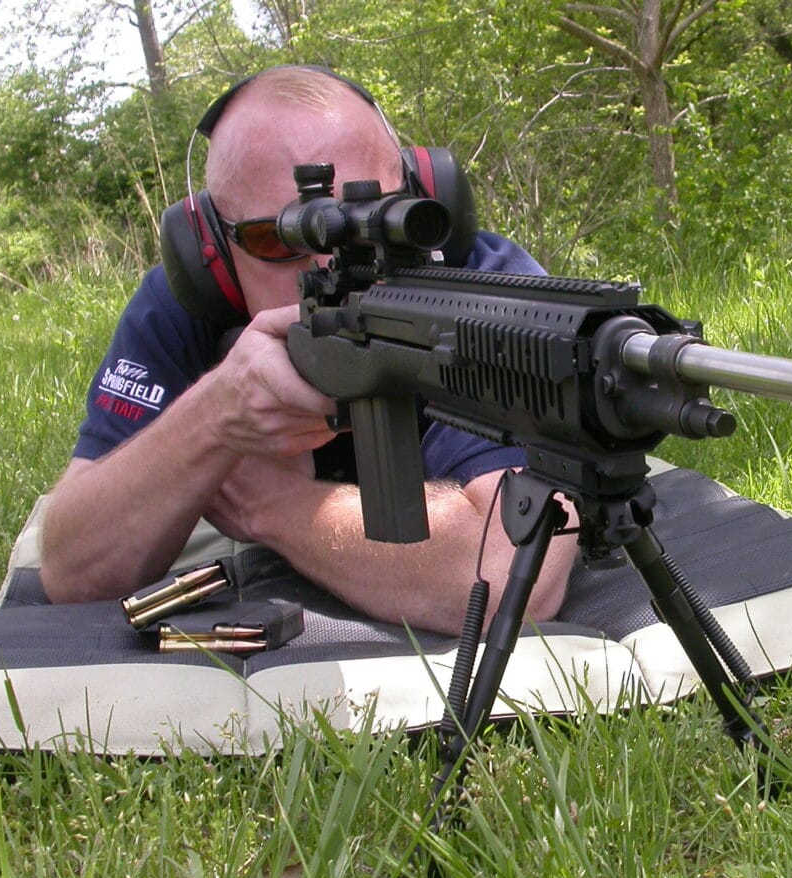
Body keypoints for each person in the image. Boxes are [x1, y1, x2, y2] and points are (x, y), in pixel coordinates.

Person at [38, 66, 578, 634]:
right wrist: (211, 417)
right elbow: (72, 572)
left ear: (424, 199)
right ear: (211, 254)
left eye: (371, 219)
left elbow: (515, 574)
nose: (331, 264)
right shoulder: (186, 307)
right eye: (280, 239)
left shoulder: (485, 292)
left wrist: (268, 505)